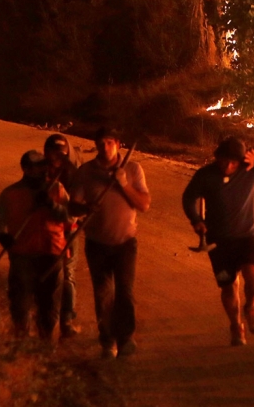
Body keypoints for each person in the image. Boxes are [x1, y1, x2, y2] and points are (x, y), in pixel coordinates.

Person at [181, 136, 254, 346]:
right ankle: (236, 325)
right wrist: (196, 220)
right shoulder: (206, 175)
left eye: (233, 162)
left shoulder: (251, 170)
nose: (228, 166)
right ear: (217, 158)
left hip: (248, 235)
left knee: (253, 276)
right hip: (219, 240)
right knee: (228, 287)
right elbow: (188, 198)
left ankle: (251, 307)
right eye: (224, 161)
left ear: (241, 160)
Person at [68, 127, 151, 359]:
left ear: (118, 144)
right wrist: (86, 208)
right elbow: (72, 207)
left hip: (126, 242)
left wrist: (123, 184)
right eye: (101, 143)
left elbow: (144, 205)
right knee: (103, 294)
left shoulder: (132, 169)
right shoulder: (86, 172)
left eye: (109, 142)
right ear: (95, 145)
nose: (105, 147)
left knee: (125, 292)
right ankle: (108, 340)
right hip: (97, 243)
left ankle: (126, 339)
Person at [0, 150, 70, 341]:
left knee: (49, 304)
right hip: (22, 255)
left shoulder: (56, 189)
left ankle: (46, 345)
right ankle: (22, 344)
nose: (42, 170)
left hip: (52, 253)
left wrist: (51, 205)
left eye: (43, 166)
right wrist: (2, 236)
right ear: (25, 169)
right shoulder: (11, 193)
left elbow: (70, 217)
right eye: (36, 167)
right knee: (20, 303)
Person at [44, 133, 82, 338]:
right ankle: (46, 317)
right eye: (53, 153)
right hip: (47, 230)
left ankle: (66, 319)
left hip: (70, 229)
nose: (57, 157)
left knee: (68, 274)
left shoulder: (74, 172)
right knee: (48, 272)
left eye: (61, 153)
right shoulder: (41, 172)